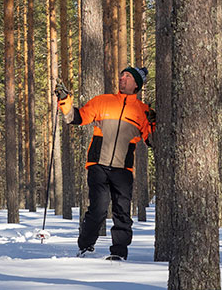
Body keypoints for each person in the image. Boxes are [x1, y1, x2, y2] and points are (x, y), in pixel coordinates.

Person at [56, 66, 155, 261]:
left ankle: (119, 252)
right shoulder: (102, 101)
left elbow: (151, 141)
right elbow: (77, 117)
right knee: (98, 209)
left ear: (136, 84)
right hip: (98, 164)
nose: (122, 78)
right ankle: (85, 246)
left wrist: (155, 123)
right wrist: (65, 101)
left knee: (122, 212)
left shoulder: (143, 111)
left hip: (123, 168)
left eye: (128, 76)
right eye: (121, 75)